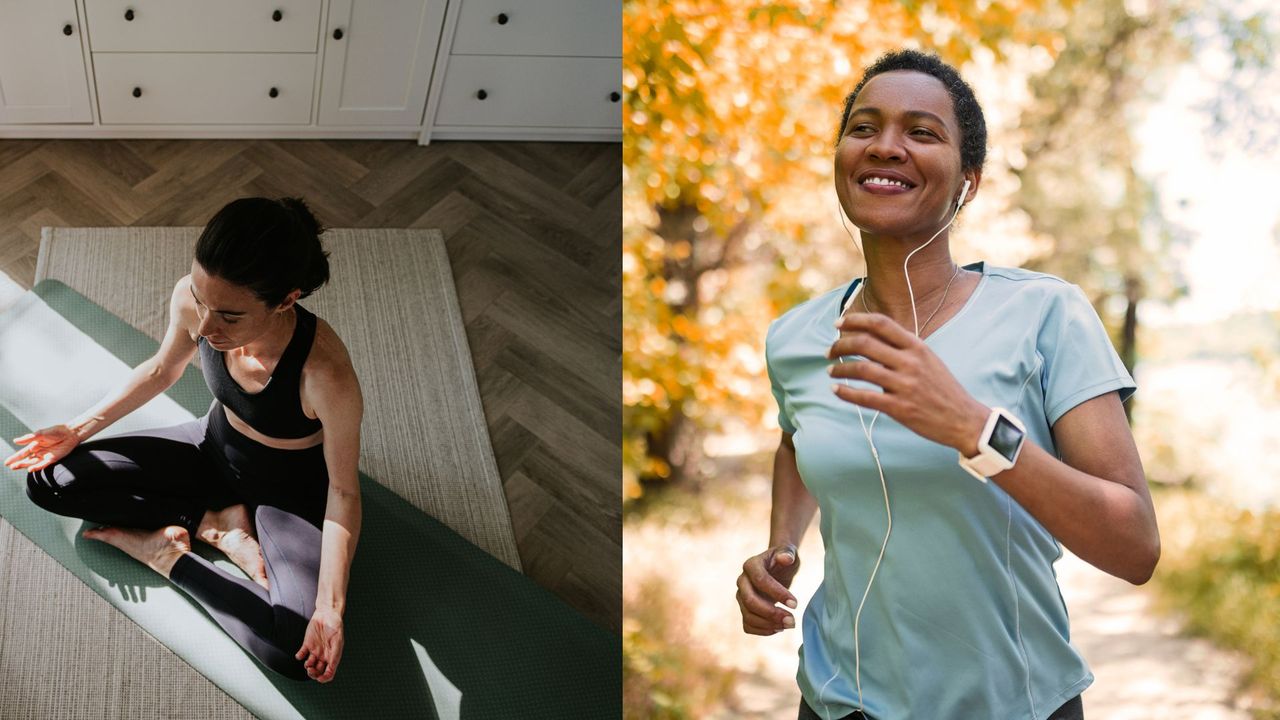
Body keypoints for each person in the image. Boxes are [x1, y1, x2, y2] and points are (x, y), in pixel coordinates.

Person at [733, 50, 1160, 720]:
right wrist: (781, 545)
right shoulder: (794, 337)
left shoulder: (1046, 314)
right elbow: (797, 441)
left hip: (1009, 704)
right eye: (864, 128)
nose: (887, 147)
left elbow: (1135, 546)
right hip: (835, 701)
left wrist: (972, 428)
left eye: (922, 132)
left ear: (970, 181)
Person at [4, 196, 363, 683]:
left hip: (288, 493)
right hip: (210, 446)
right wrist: (76, 429)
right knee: (51, 480)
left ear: (285, 300)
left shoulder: (325, 372)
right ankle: (211, 521)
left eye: (231, 317)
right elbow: (160, 369)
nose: (208, 326)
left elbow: (343, 491)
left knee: (296, 650)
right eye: (200, 299)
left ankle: (168, 557)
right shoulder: (195, 301)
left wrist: (329, 609)